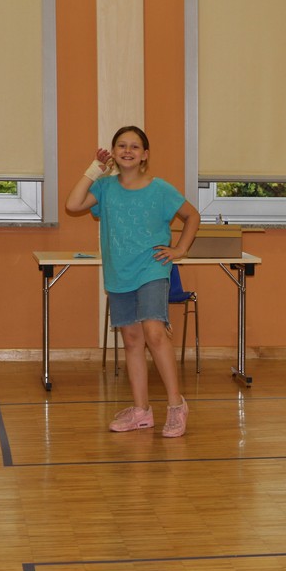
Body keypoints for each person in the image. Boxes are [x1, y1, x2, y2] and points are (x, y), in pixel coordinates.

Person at [66, 126, 199, 437]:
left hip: (152, 268)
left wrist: (180, 249)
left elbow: (192, 216)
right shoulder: (105, 188)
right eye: (122, 146)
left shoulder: (161, 189)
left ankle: (176, 405)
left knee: (154, 332)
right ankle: (141, 411)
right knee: (132, 340)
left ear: (145, 155)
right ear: (113, 153)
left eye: (135, 146)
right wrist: (95, 169)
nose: (128, 151)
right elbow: (72, 205)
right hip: (119, 272)